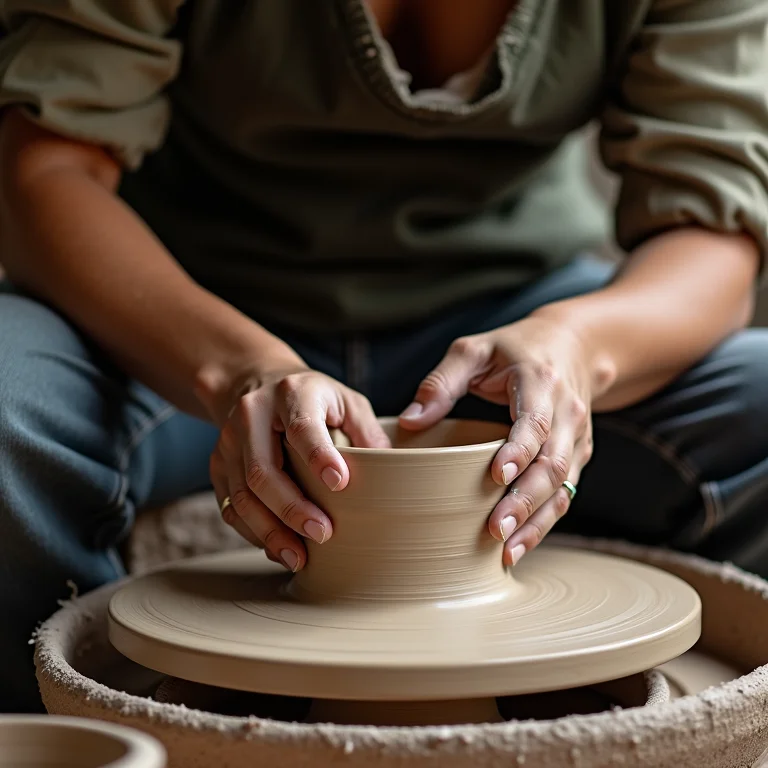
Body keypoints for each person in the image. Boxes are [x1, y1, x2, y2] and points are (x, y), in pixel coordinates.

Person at [0, 0, 767, 713]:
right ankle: (86, 731)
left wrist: (577, 345)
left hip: (512, 314)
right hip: (188, 305)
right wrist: (239, 368)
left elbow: (712, 228)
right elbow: (43, 169)